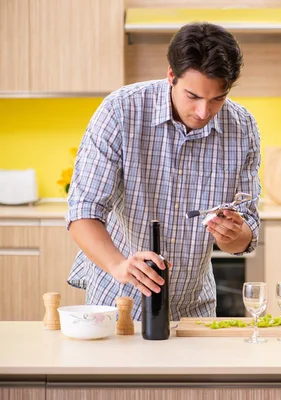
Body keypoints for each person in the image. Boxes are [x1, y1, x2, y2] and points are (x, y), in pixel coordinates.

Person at [66, 22, 261, 321]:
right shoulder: (121, 111)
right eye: (193, 96)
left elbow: (243, 234)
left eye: (217, 99)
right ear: (171, 75)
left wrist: (233, 233)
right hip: (118, 303)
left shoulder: (243, 127)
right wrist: (119, 265)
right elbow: (83, 212)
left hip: (194, 309)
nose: (203, 112)